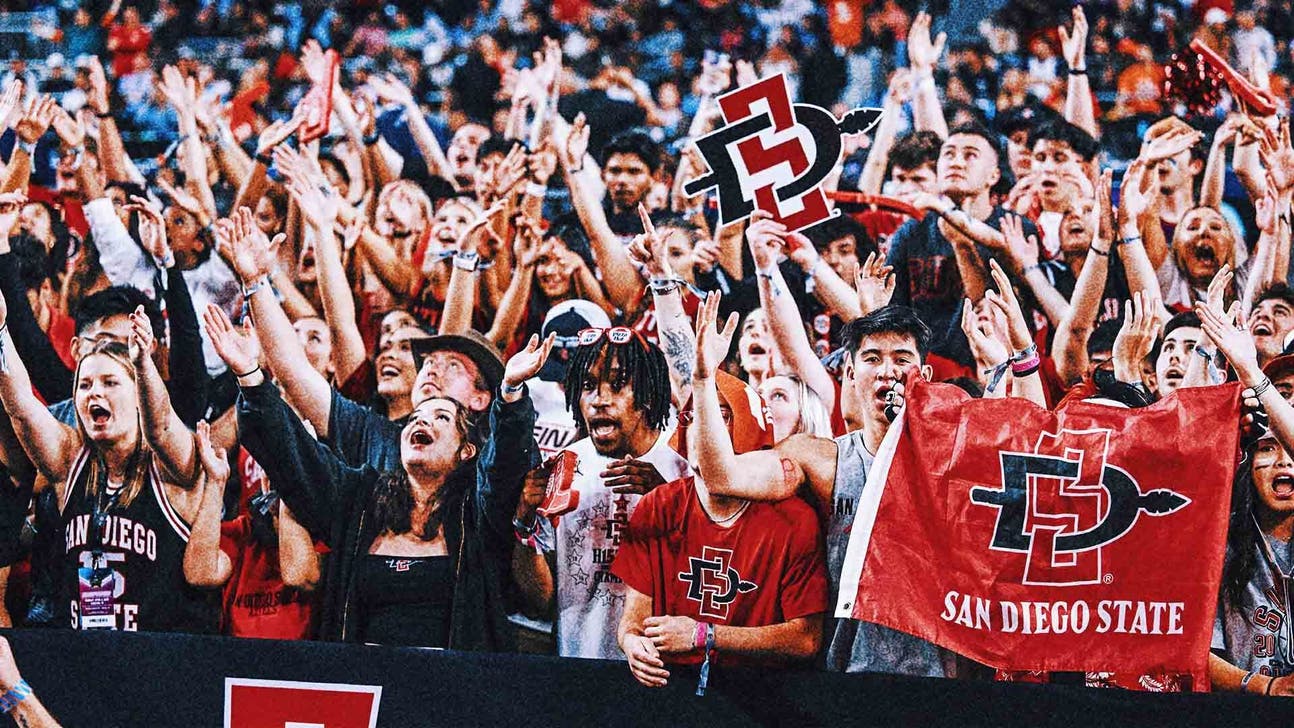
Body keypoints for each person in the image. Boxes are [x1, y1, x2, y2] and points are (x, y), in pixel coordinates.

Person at [230, 301, 553, 648]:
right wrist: (250, 376)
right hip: (363, 691)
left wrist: (511, 394)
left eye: (442, 417)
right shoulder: (362, 494)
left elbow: (503, 467)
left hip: (455, 692)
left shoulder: (477, 505)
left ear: (467, 450)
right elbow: (295, 456)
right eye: (414, 419)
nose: (423, 420)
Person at [0, 294, 217, 634]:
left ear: (137, 397)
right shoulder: (71, 459)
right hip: (85, 657)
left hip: (162, 663)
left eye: (110, 383)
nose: (93, 393)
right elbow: (22, 410)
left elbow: (159, 426)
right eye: (84, 385)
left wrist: (143, 363)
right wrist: (0, 329)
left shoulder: (170, 464)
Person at [615, 351, 826, 688]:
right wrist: (631, 643)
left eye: (720, 416)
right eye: (693, 417)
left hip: (761, 695)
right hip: (671, 690)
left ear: (751, 426)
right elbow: (634, 619)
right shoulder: (659, 504)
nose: (702, 429)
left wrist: (705, 635)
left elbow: (806, 639)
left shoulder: (794, 519)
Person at [512, 327, 689, 660]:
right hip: (578, 664)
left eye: (618, 384)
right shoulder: (562, 467)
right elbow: (541, 601)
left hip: (663, 671)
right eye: (589, 386)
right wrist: (523, 524)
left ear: (649, 394)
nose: (600, 400)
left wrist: (671, 501)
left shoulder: (682, 464)